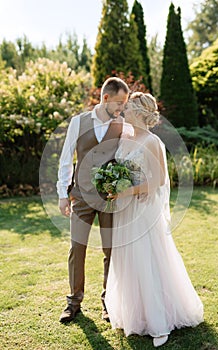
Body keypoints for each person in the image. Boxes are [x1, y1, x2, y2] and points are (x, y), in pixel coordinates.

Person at [105, 92, 204, 347]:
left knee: (147, 259)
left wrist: (129, 190)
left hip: (143, 210)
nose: (124, 112)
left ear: (139, 113)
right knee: (128, 260)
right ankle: (135, 316)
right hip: (125, 210)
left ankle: (159, 321)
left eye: (128, 109)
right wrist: (115, 186)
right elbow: (120, 169)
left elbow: (158, 180)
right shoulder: (125, 137)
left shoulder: (152, 142)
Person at [57, 77, 130, 323]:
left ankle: (108, 304)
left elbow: (127, 159)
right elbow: (66, 158)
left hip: (110, 199)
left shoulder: (121, 125)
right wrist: (62, 194)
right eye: (119, 103)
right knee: (77, 249)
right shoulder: (78, 122)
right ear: (106, 98)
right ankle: (73, 302)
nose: (122, 109)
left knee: (111, 251)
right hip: (80, 196)